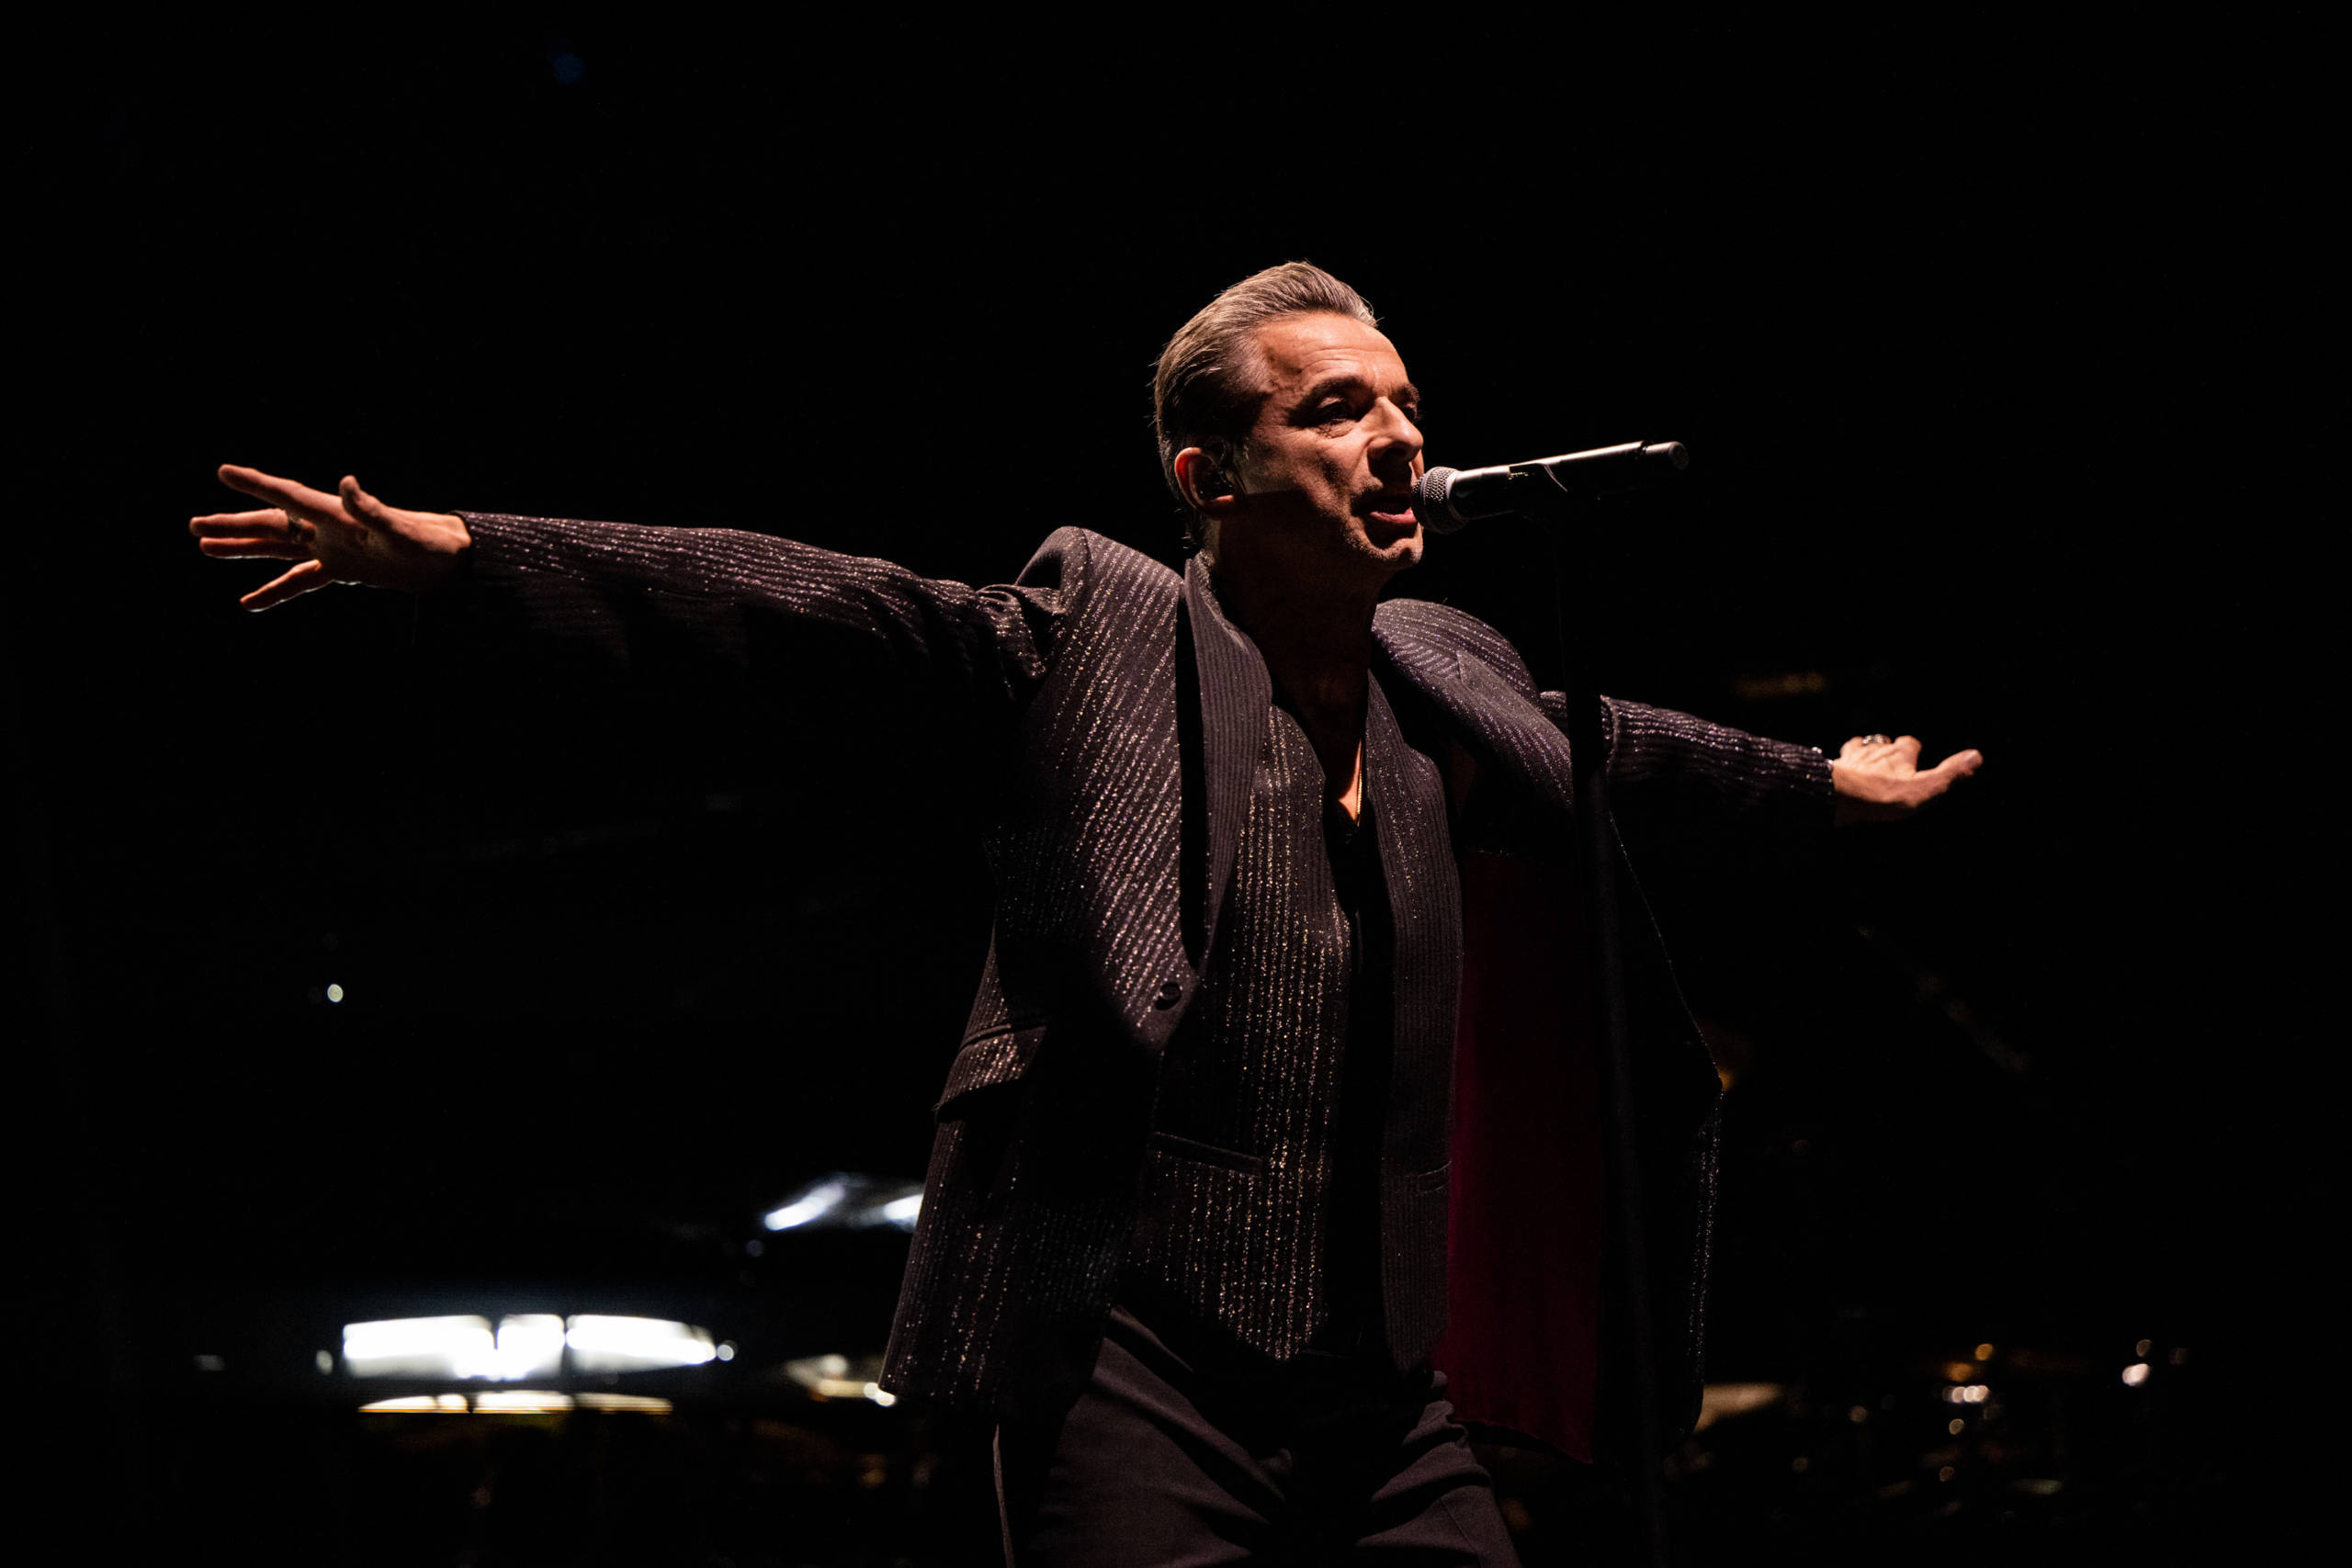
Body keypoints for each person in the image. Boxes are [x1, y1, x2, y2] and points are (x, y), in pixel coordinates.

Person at [189, 263, 1978, 1564]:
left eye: (1407, 406)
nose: (1399, 439)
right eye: (1335, 406)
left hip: (1383, 1402)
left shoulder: (1454, 668)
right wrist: (469, 555)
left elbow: (1624, 750)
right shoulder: (1104, 632)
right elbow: (815, 611)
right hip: (1137, 1371)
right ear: (1207, 477)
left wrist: (1825, 784)